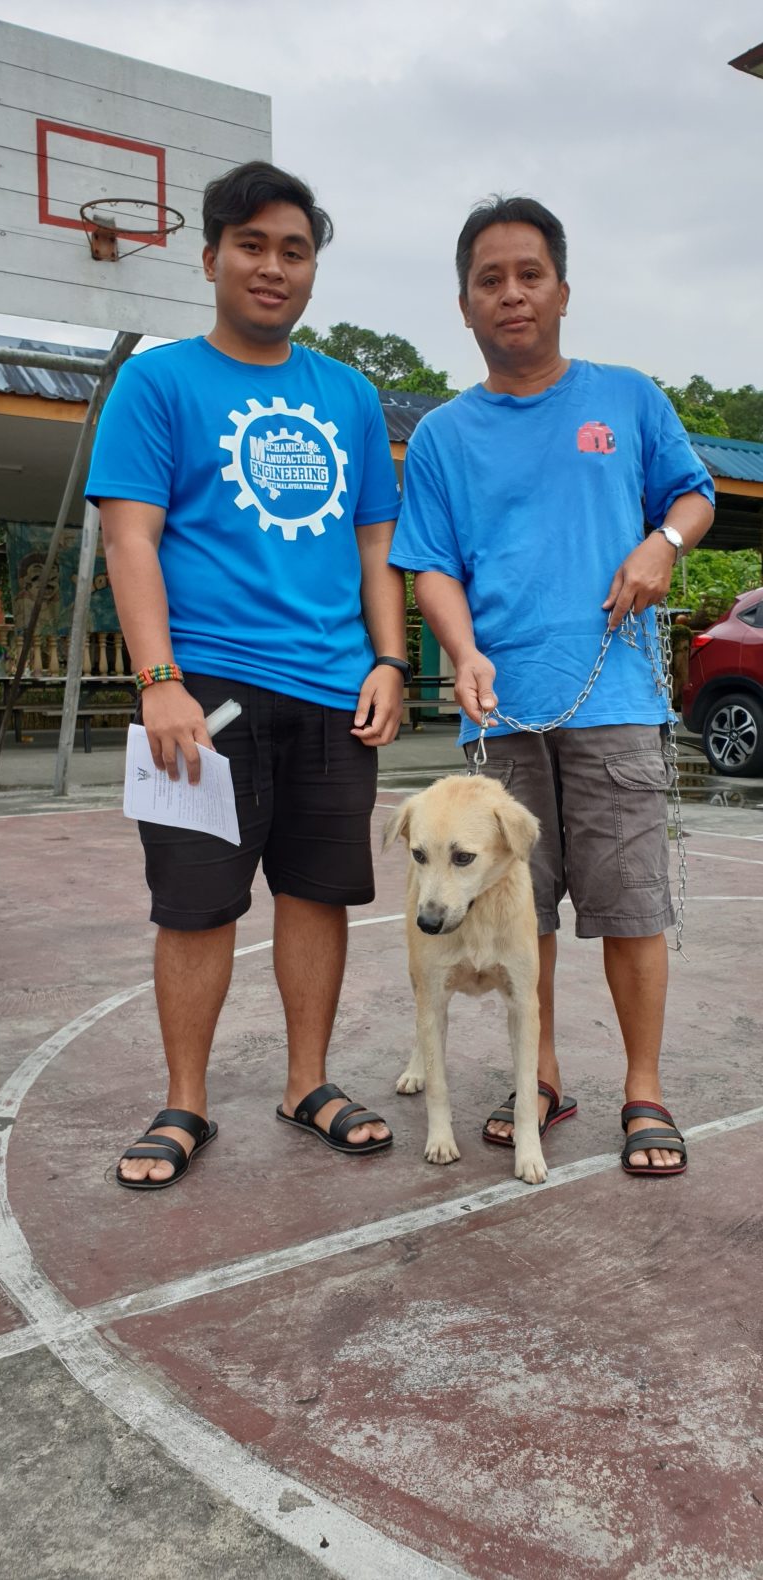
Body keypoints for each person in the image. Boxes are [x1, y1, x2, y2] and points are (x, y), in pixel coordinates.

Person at [87, 161, 408, 1188]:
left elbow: (376, 544)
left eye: (294, 251)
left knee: (318, 894)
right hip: (204, 694)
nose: (274, 267)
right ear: (211, 258)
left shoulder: (348, 394)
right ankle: (184, 1101)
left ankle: (306, 1083)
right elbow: (130, 538)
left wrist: (390, 659)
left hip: (331, 690)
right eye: (253, 246)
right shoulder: (157, 383)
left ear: (312, 269)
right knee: (194, 902)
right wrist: (158, 678)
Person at [388, 196, 714, 1177]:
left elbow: (694, 495)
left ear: (563, 290)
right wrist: (460, 649)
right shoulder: (443, 435)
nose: (512, 293)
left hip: (614, 703)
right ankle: (542, 1077)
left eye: (529, 274)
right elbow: (429, 565)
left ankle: (644, 1090)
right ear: (464, 305)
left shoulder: (628, 399)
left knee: (630, 905)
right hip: (500, 714)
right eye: (489, 280)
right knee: (510, 913)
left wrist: (663, 544)